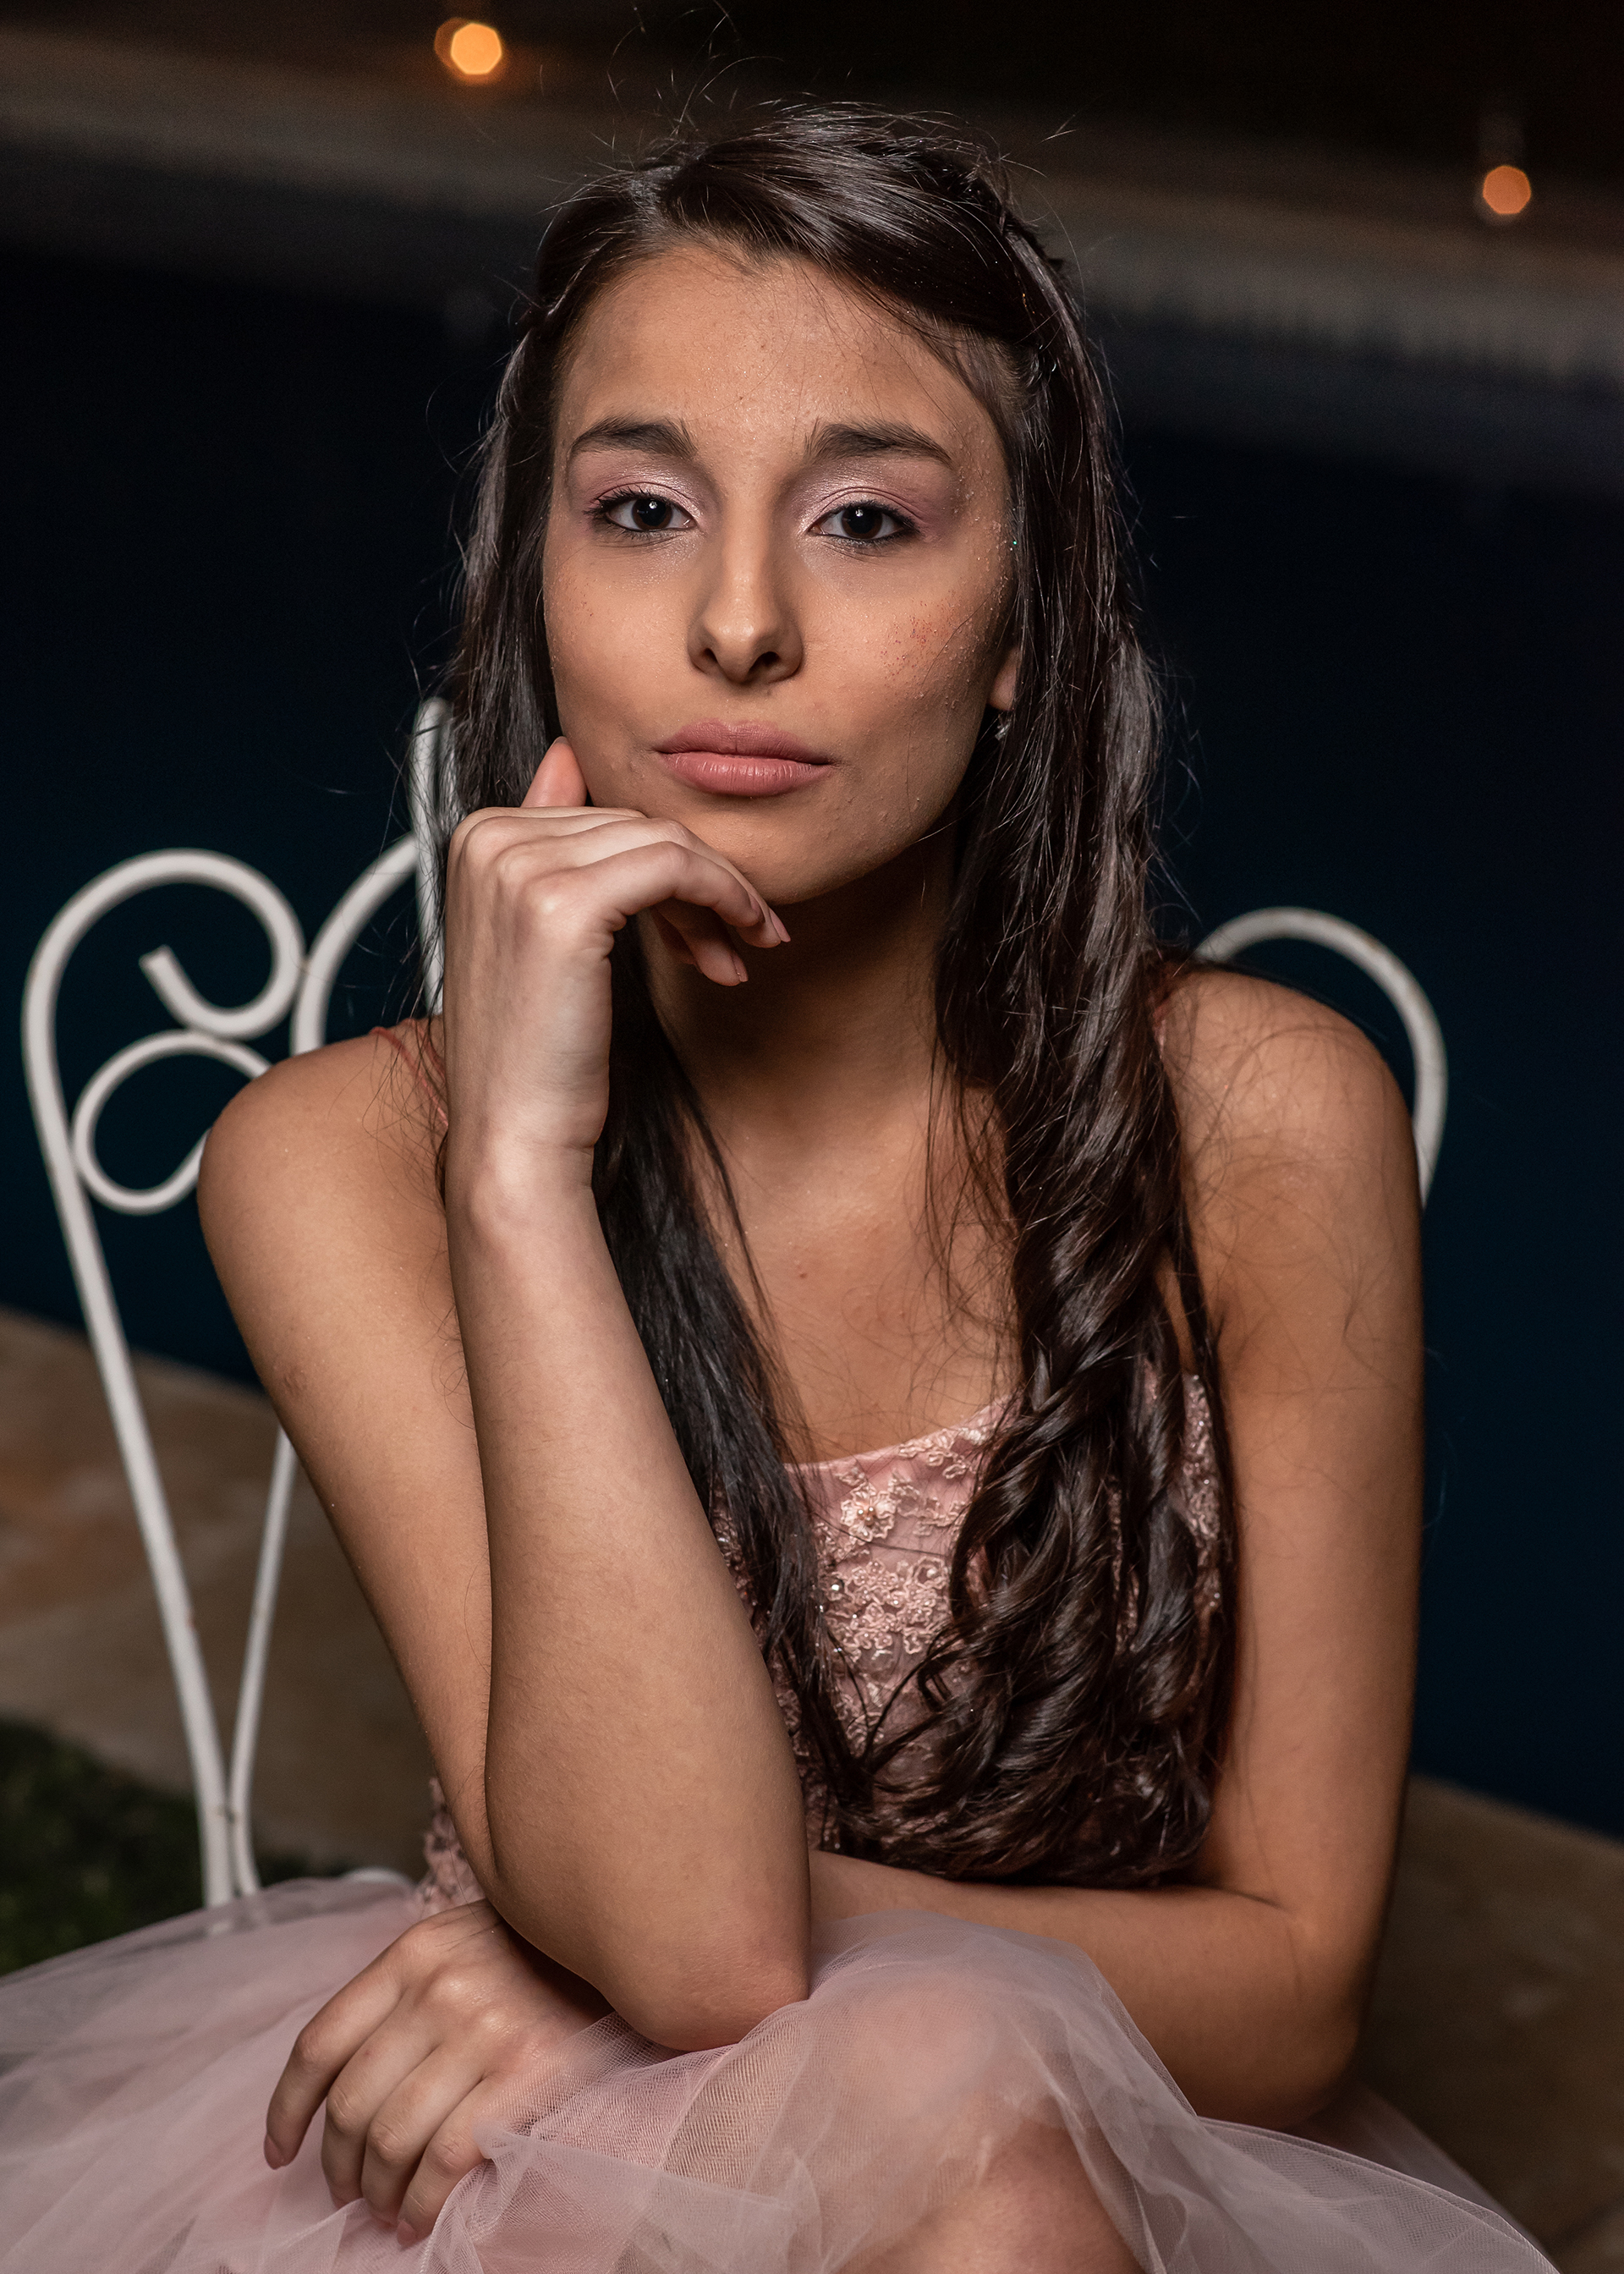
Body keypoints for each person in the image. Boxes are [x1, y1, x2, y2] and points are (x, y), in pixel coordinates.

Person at [0, 110, 1553, 2274]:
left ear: (1022, 631)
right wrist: (522, 1175)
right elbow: (698, 1947)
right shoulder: (341, 1157)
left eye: (865, 521)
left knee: (1003, 2164)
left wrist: (633, 1960)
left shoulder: (1266, 1117)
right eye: (641, 510)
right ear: (539, 582)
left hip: (1072, 2155)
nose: (737, 623)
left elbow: (1290, 1998)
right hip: (552, 2186)